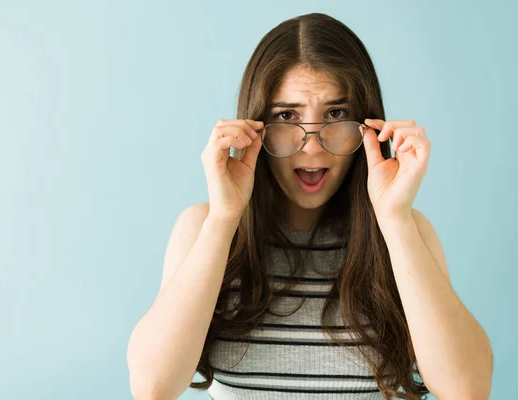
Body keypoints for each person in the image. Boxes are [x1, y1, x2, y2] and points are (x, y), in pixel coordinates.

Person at [127, 12, 493, 400]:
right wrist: (224, 218)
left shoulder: (407, 231)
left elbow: (467, 390)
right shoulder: (205, 227)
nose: (313, 146)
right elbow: (154, 388)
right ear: (256, 125)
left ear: (368, 126)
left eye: (336, 114)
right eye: (287, 116)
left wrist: (395, 219)